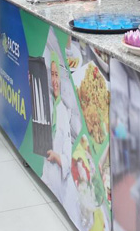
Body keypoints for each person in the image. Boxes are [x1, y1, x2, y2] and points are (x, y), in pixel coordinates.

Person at [40, 55, 81, 226]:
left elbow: (67, 159)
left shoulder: (65, 113)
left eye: (58, 76)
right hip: (47, 175)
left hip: (60, 183)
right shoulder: (50, 101)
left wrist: (56, 157)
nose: (55, 81)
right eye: (53, 75)